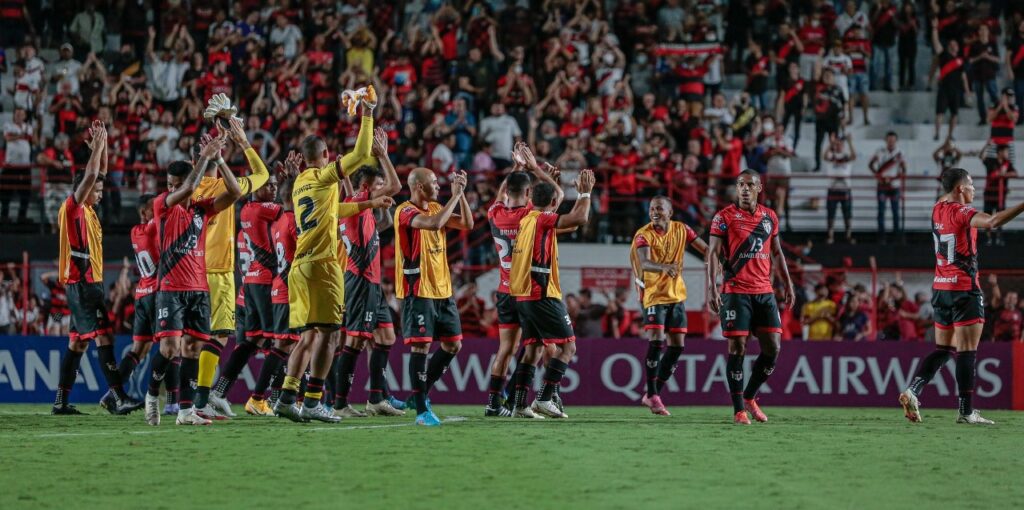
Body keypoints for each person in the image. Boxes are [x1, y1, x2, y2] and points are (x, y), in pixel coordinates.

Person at [276, 118, 393, 424]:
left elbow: (334, 211)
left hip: (299, 267)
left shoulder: (301, 181)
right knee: (330, 336)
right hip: (323, 266)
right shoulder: (324, 176)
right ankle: (313, 400)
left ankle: (288, 397)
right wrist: (367, 113)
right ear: (325, 154)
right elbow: (359, 154)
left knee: (308, 336)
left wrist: (368, 203)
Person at [898, 167, 1024, 425]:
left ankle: (913, 390)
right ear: (959, 189)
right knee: (967, 351)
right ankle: (966, 412)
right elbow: (992, 222)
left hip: (941, 288)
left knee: (944, 349)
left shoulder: (937, 209)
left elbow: (948, 205)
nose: (974, 189)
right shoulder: (961, 211)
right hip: (964, 289)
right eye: (971, 184)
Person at [147, 130, 242, 426]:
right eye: (169, 184)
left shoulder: (203, 210)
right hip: (171, 287)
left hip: (198, 288)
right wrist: (204, 157)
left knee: (192, 348)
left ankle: (186, 411)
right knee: (170, 347)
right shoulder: (162, 205)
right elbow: (189, 189)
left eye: (175, 184)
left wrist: (219, 160)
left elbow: (236, 191)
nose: (171, 189)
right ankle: (152, 394)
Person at [52, 121, 143, 416]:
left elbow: (97, 173)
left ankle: (61, 402)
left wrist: (101, 147)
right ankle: (118, 396)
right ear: (84, 189)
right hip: (82, 284)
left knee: (77, 344)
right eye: (97, 190)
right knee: (104, 336)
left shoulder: (88, 210)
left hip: (87, 284)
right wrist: (99, 147)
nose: (101, 193)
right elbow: (92, 175)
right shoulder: (73, 207)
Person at [190, 115, 273, 419]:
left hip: (193, 270)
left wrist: (213, 154)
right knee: (219, 337)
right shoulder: (225, 188)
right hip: (219, 272)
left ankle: (187, 400)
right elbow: (262, 174)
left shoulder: (188, 192)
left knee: (194, 339)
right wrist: (242, 143)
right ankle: (199, 401)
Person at [707, 170, 796, 425]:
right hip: (735, 291)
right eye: (741, 185)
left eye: (750, 185)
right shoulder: (723, 217)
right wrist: (713, 287)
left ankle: (750, 396)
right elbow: (713, 253)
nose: (745, 189)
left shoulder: (769, 217)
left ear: (759, 188)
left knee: (773, 348)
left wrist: (788, 283)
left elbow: (777, 252)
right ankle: (738, 410)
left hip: (764, 291)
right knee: (738, 348)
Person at [483, 143, 564, 417]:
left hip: (504, 290)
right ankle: (539, 397)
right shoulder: (529, 215)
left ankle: (494, 402)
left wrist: (517, 168)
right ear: (528, 193)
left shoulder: (494, 214)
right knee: (542, 348)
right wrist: (537, 170)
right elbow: (553, 198)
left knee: (506, 348)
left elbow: (503, 193)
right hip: (526, 290)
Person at [509, 169, 596, 419]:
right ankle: (544, 398)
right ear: (554, 204)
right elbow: (579, 218)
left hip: (523, 295)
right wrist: (585, 192)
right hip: (541, 293)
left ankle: (519, 404)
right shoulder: (543, 219)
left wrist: (542, 175)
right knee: (568, 347)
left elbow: (565, 223)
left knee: (533, 350)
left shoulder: (526, 218)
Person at [394, 167, 474, 427]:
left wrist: (460, 196)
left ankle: (419, 394)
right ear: (419, 187)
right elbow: (434, 224)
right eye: (434, 183)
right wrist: (455, 196)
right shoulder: (405, 211)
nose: (438, 186)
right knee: (421, 346)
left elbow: (468, 224)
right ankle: (421, 411)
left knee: (454, 345)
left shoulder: (435, 206)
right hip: (419, 288)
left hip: (443, 289)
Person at [335, 128, 406, 419]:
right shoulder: (355, 205)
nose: (382, 188)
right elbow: (397, 184)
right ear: (366, 185)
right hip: (360, 280)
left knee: (386, 337)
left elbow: (383, 224)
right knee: (355, 341)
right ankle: (340, 403)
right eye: (377, 185)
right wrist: (383, 155)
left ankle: (376, 398)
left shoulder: (359, 207)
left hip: (373, 283)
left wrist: (382, 205)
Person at [204, 170, 282, 417]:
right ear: (256, 188)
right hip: (266, 282)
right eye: (267, 184)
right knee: (279, 341)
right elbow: (293, 213)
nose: (273, 188)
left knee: (252, 342)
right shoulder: (264, 211)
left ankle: (219, 392)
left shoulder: (245, 216)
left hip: (248, 285)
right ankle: (266, 398)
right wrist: (293, 179)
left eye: (276, 185)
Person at [630, 196, 707, 416]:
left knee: (677, 347)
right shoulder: (643, 235)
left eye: (660, 209)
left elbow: (704, 248)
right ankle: (653, 394)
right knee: (656, 341)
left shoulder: (682, 230)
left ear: (670, 213)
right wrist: (665, 267)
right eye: (652, 208)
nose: (655, 212)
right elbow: (644, 263)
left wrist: (716, 260)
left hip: (676, 296)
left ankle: (652, 394)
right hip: (654, 296)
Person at [245, 155, 303, 416]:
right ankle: (262, 397)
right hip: (288, 287)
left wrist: (293, 178)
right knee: (286, 346)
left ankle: (281, 397)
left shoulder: (279, 220)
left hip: (279, 285)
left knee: (287, 345)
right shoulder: (290, 220)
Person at [869, 131, 906, 242]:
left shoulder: (900, 153)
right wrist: (879, 177)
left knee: (895, 212)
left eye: (893, 140)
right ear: (886, 140)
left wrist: (896, 178)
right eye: (889, 140)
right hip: (882, 185)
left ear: (896, 141)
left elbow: (904, 168)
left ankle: (897, 237)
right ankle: (881, 237)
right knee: (881, 211)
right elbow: (871, 164)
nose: (890, 142)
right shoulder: (879, 151)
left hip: (894, 186)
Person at [979, 142, 1017, 246]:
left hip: (1001, 195)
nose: (1007, 153)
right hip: (989, 193)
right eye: (1006, 151)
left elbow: (1015, 173)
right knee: (987, 217)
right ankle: (989, 238)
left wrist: (1003, 174)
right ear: (1000, 152)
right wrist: (986, 145)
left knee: (1001, 217)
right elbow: (981, 156)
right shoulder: (991, 161)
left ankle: (1000, 237)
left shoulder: (1007, 164)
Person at [932, 38, 968, 141]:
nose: (953, 46)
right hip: (944, 88)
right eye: (951, 44)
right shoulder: (944, 56)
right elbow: (936, 44)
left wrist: (967, 91)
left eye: (955, 44)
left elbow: (963, 76)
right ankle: (937, 134)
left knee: (954, 114)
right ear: (948, 47)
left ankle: (950, 135)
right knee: (940, 112)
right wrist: (934, 30)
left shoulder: (960, 60)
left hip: (956, 90)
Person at [824, 132, 856, 244]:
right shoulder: (831, 155)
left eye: (841, 144)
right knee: (831, 214)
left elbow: (854, 156)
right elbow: (824, 156)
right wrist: (830, 144)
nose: (839, 146)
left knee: (847, 214)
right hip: (833, 189)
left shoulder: (846, 155)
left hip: (845, 189)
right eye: (837, 144)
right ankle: (830, 236)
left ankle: (848, 235)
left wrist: (850, 142)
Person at [812, 68, 845, 172]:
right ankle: (817, 165)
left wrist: (844, 117)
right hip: (821, 119)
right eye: (825, 75)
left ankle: (835, 162)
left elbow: (843, 104)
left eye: (830, 75)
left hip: (834, 120)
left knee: (835, 142)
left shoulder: (838, 89)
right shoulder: (818, 88)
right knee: (818, 143)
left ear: (833, 78)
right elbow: (815, 103)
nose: (827, 77)